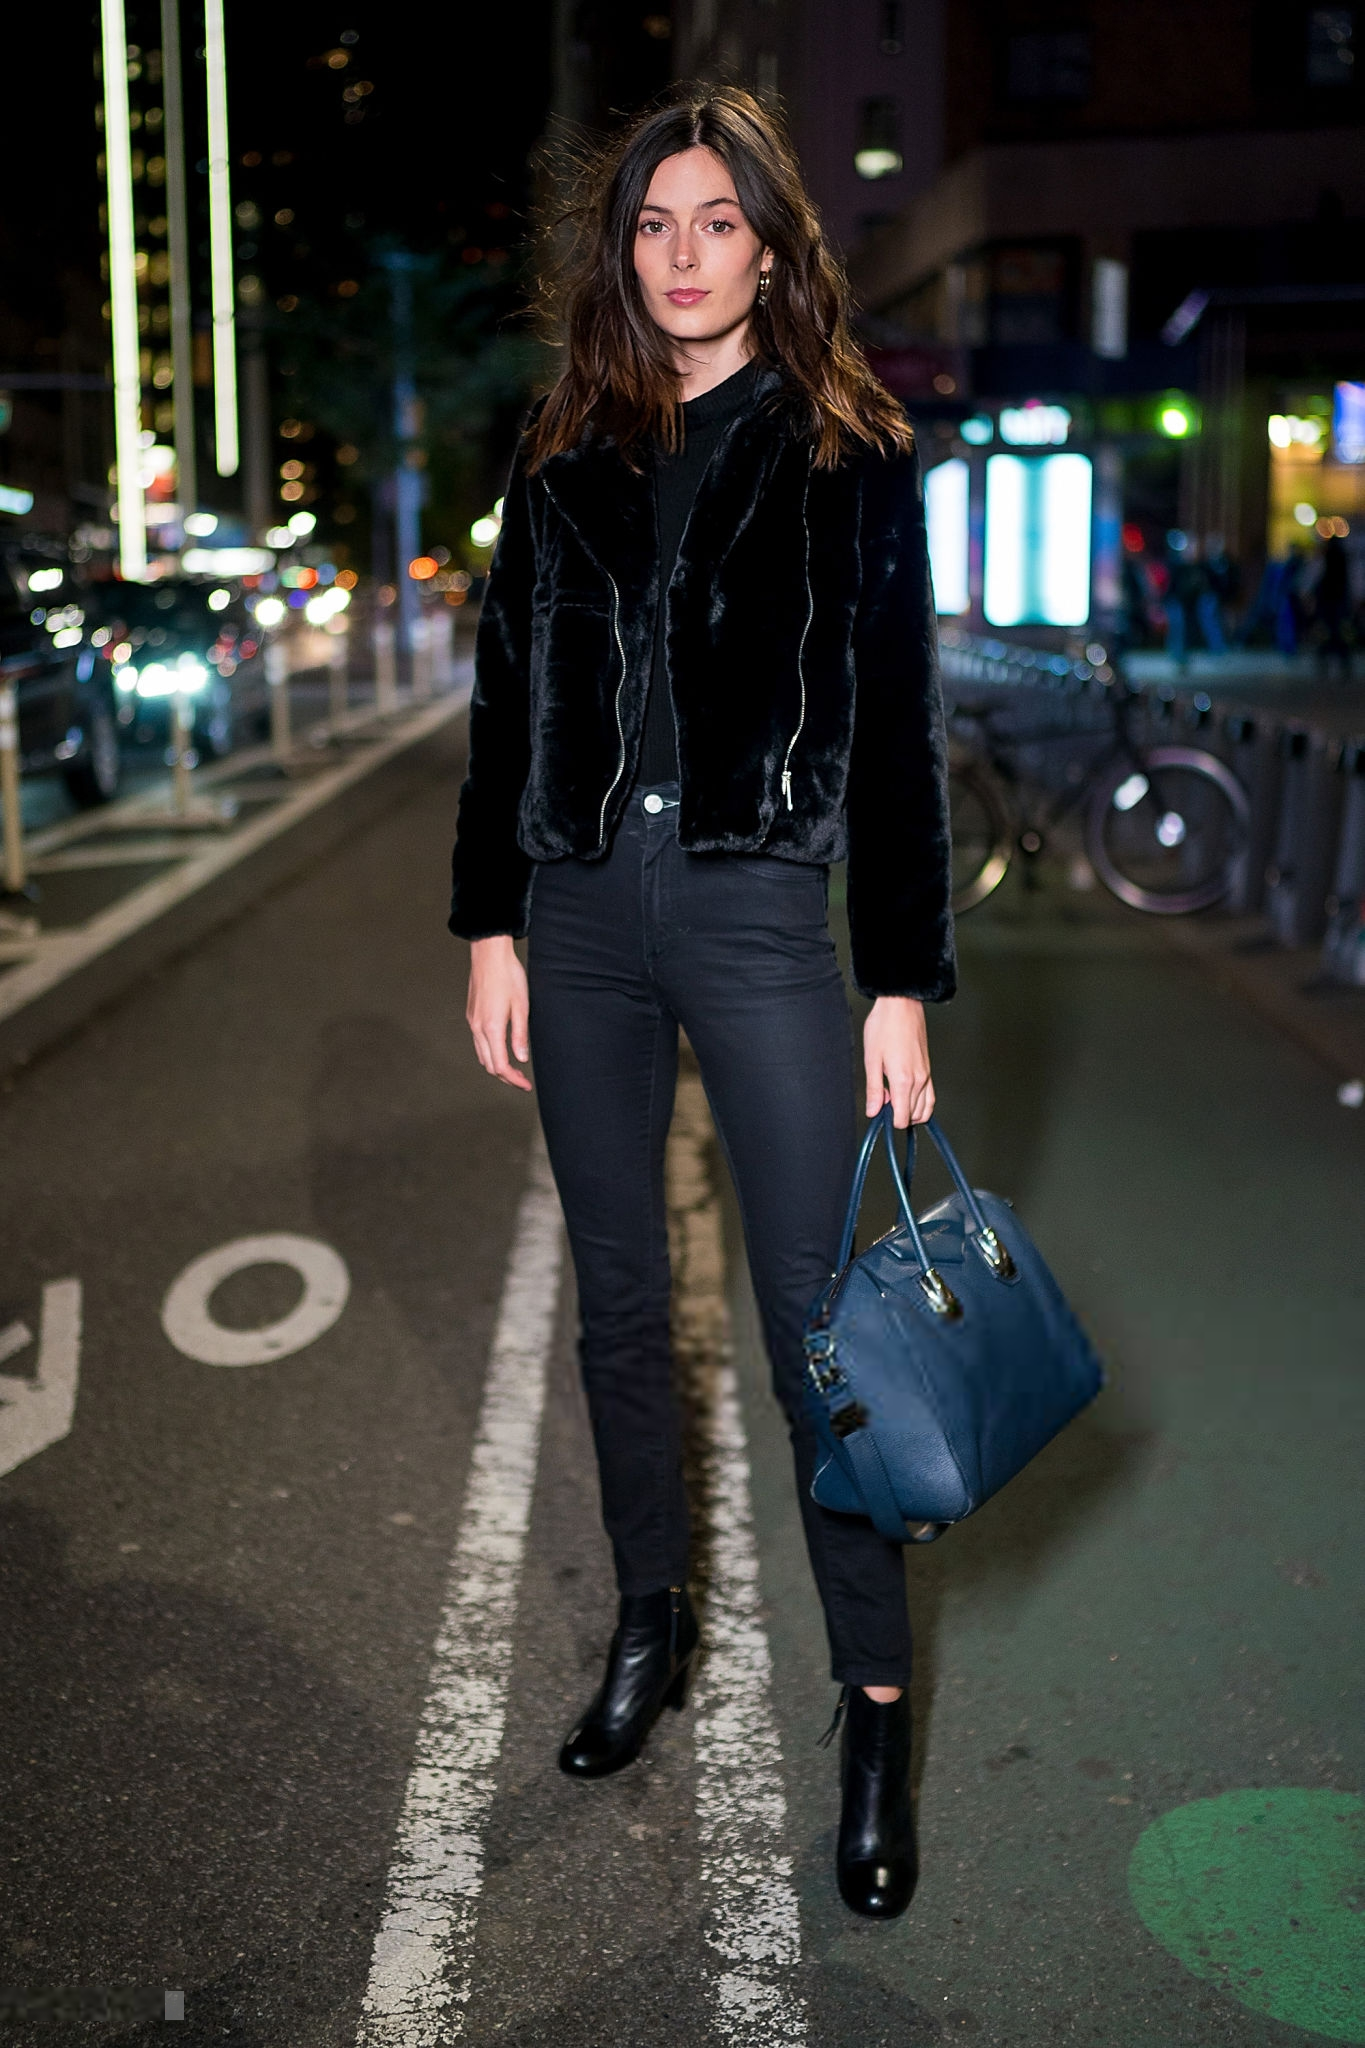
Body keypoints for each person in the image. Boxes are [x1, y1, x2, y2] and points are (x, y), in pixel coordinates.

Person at [449, 85, 955, 1921]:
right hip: (581, 920)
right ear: (624, 250)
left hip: (756, 922)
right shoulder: (564, 447)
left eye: (716, 222)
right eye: (654, 223)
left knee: (822, 1336)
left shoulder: (846, 449)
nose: (682, 253)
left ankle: (874, 1707)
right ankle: (651, 1620)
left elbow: (896, 734)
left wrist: (900, 977)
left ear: (768, 245)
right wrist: (489, 926)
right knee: (618, 1303)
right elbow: (507, 703)